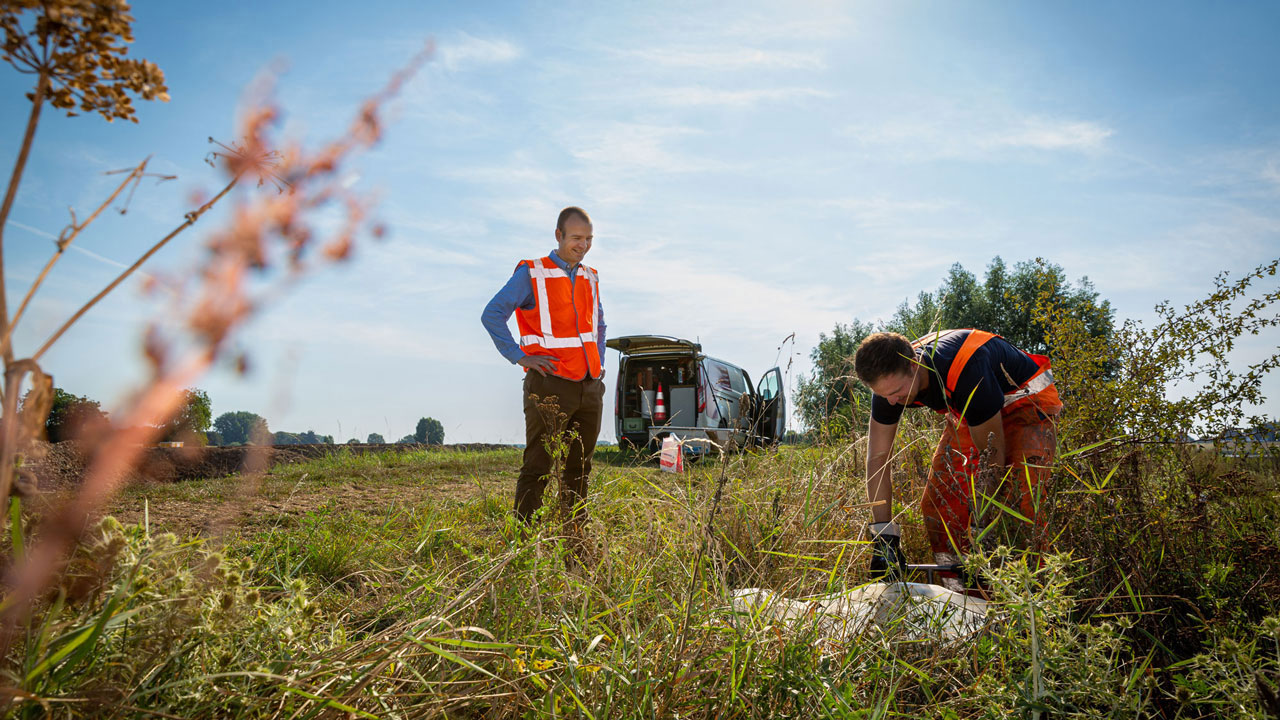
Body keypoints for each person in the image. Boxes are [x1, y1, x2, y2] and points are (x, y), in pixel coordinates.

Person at [854, 329, 1062, 587]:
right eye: (885, 395)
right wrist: (883, 536)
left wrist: (980, 525)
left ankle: (1037, 595)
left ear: (914, 364)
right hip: (972, 412)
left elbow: (991, 456)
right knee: (938, 505)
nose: (893, 401)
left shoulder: (966, 370)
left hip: (1027, 405)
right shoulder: (889, 386)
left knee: (1018, 505)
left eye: (897, 391)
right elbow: (877, 458)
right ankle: (962, 594)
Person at [481, 206, 606, 523]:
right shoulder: (532, 273)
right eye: (577, 237)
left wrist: (599, 363)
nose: (583, 245)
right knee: (539, 466)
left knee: (580, 469)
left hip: (589, 387)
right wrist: (519, 356)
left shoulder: (591, 277)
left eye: (589, 238)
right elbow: (492, 314)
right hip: (549, 386)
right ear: (558, 235)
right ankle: (524, 546)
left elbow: (599, 326)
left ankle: (574, 542)